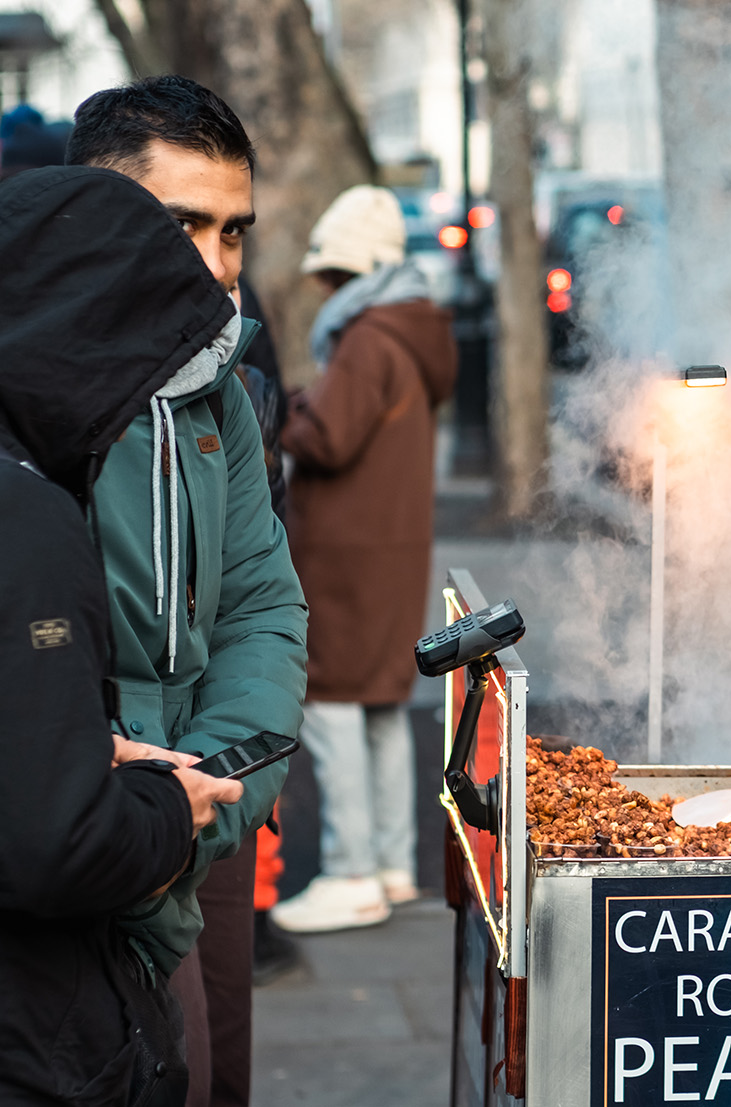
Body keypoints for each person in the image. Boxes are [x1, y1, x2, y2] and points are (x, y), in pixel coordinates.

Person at [0, 165, 245, 1105]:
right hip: (13, 1040)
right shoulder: (10, 512)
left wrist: (61, 747)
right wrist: (171, 805)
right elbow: (49, 847)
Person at [66, 76, 309, 1107]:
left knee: (209, 1076)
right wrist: (114, 806)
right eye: (183, 227)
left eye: (234, 233)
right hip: (61, 845)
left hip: (199, 825)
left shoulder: (226, 393)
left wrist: (208, 799)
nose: (217, 267)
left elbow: (263, 607)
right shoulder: (20, 385)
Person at [271, 184, 457, 933]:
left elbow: (326, 438)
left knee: (332, 703)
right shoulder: (410, 333)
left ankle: (352, 872)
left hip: (346, 553)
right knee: (379, 705)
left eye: (332, 277)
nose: (325, 291)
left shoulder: (368, 337)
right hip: (391, 548)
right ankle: (389, 864)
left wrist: (280, 404)